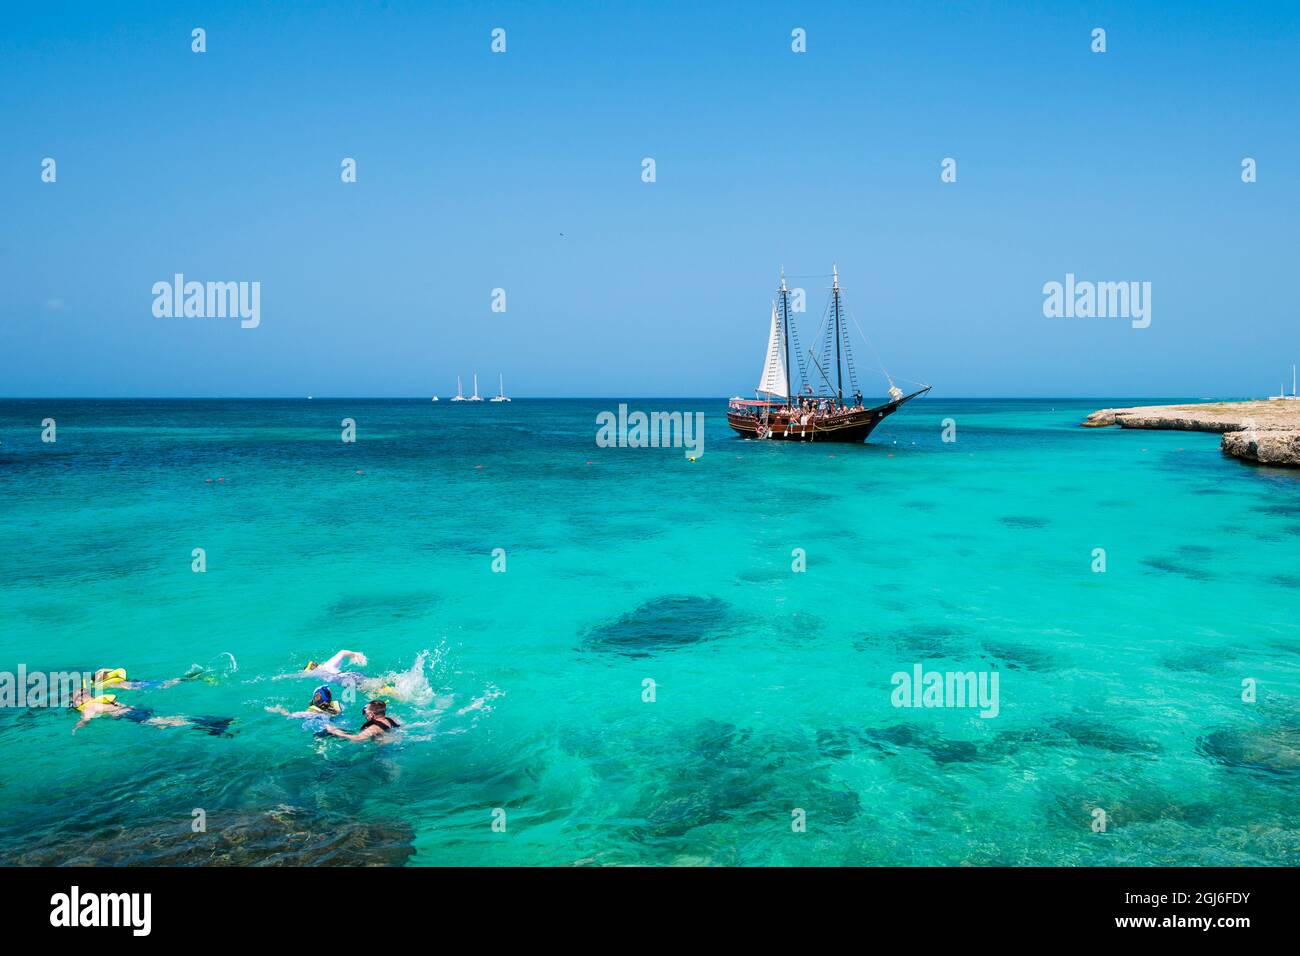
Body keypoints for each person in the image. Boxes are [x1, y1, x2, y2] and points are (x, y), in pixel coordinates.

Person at [68, 688, 234, 736]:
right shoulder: (104, 698)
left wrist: (76, 728)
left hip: (130, 715)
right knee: (166, 720)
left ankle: (212, 724)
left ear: (80, 701)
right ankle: (210, 723)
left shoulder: (89, 707)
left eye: (74, 700)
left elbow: (86, 720)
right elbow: (125, 705)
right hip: (135, 710)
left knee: (167, 722)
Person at [324, 699, 400, 742]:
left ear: (371, 715)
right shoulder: (390, 719)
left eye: (365, 712)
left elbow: (358, 738)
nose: (364, 715)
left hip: (381, 752)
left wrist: (334, 732)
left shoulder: (374, 728)